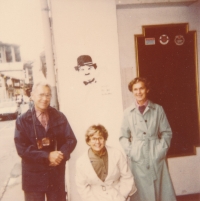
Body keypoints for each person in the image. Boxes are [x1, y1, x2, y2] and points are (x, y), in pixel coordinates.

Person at [14, 81, 77, 201]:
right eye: (41, 95)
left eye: (48, 95)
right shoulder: (22, 121)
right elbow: (22, 149)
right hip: (33, 177)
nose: (44, 98)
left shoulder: (59, 116)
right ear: (32, 96)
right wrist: (47, 156)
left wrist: (60, 155)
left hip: (56, 174)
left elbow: (71, 140)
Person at [119, 77, 176, 201]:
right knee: (141, 192)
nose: (138, 92)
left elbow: (166, 133)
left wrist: (160, 151)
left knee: (160, 189)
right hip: (138, 156)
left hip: (155, 154)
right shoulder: (128, 112)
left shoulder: (158, 109)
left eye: (141, 88)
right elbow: (123, 136)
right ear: (132, 91)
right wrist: (131, 151)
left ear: (147, 90)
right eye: (135, 89)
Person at [76, 124, 137, 201]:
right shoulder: (81, 161)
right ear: (88, 141)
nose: (97, 142)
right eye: (94, 139)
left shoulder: (117, 154)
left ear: (105, 139)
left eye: (100, 138)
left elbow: (127, 177)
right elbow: (82, 186)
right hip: (94, 198)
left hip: (117, 195)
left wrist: (122, 196)